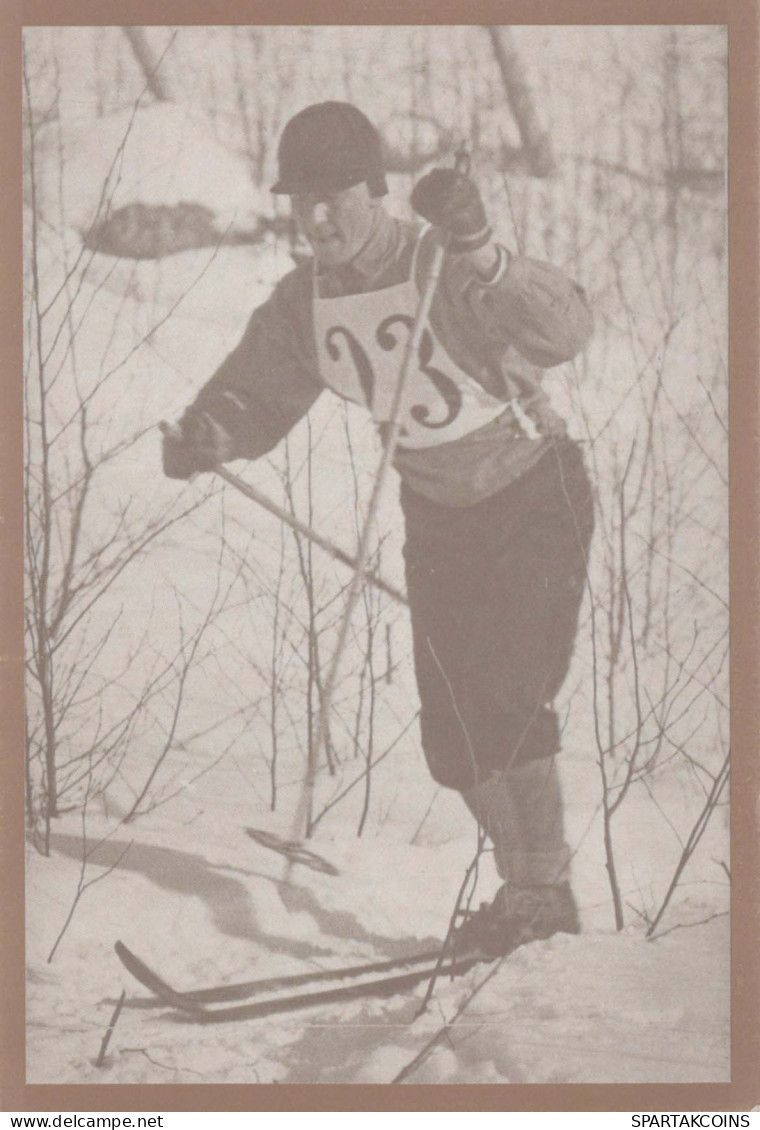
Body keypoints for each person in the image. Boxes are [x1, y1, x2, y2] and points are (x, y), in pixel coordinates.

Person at [163, 101, 595, 956]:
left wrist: (479, 246)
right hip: (437, 516)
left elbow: (566, 329)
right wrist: (212, 432)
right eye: (301, 201)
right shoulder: (307, 299)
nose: (318, 218)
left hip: (531, 496)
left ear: (376, 190)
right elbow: (255, 389)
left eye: (337, 197)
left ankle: (539, 892)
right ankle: (527, 887)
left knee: (508, 699)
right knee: (454, 742)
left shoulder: (436, 259)